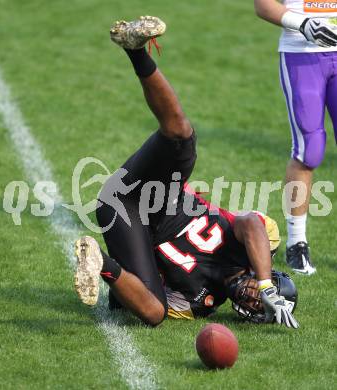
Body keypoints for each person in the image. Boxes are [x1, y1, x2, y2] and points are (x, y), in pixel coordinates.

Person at [74, 16, 299, 329]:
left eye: (255, 306)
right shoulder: (253, 248)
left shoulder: (200, 303)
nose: (252, 299)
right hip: (158, 196)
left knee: (154, 313)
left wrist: (123, 283)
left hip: (125, 216)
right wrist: (266, 286)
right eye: (258, 297)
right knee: (181, 134)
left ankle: (97, 259)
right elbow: (251, 224)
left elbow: (140, 298)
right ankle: (135, 49)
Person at [254, 0, 337, 275]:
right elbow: (263, 5)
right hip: (302, 53)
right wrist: (302, 23)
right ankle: (296, 242)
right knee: (308, 149)